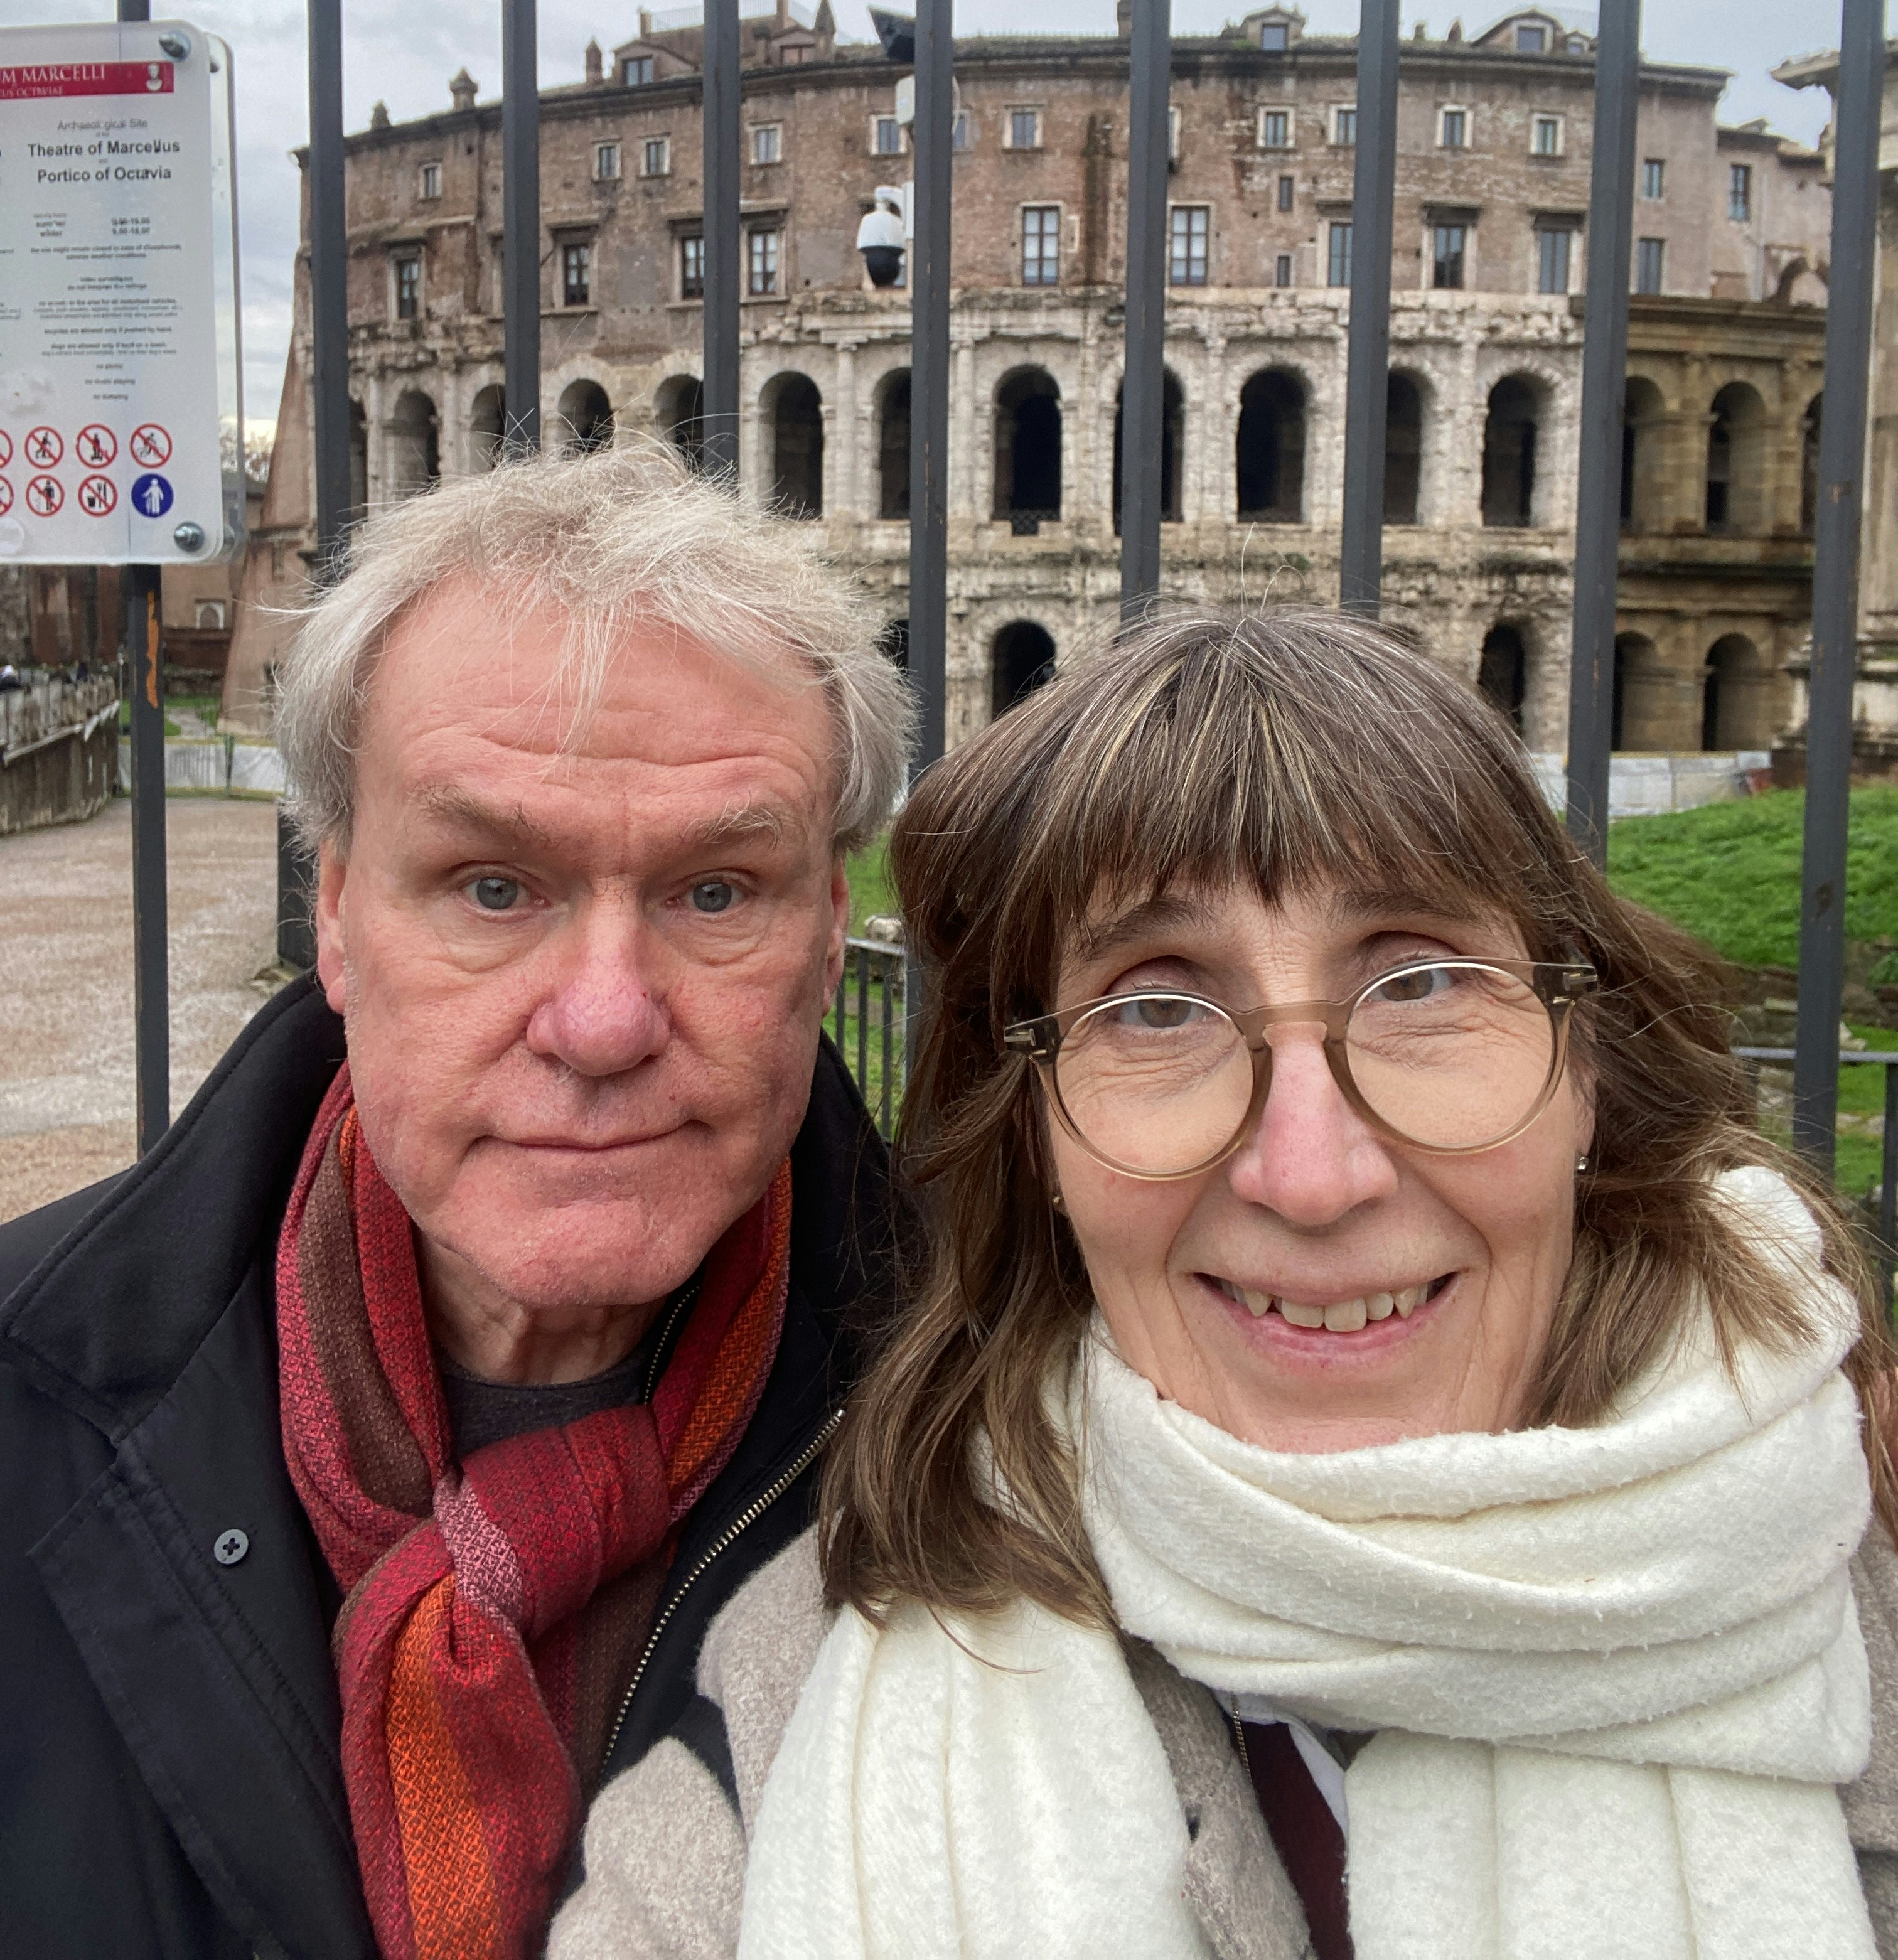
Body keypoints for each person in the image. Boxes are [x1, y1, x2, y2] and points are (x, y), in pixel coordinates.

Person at [555, 604, 1898, 1960]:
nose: (1311, 1175)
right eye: (1155, 1008)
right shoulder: (791, 1713)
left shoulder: (1871, 1576)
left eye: (1423, 984)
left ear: (1587, 1072)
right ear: (1036, 1132)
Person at [0, 442, 910, 1960]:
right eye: (494, 886)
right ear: (338, 920)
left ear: (829, 943)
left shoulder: (1006, 1436)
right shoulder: (26, 1395)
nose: (606, 1021)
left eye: (716, 892)